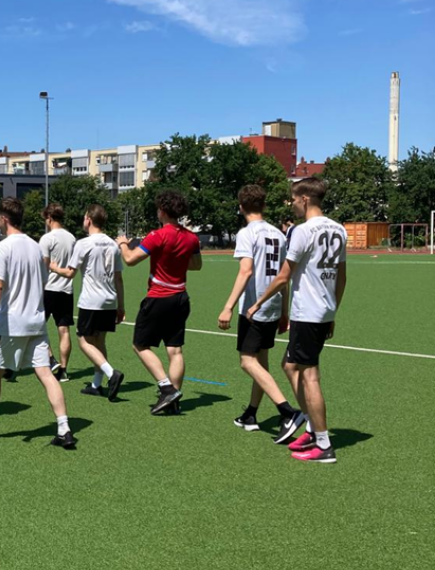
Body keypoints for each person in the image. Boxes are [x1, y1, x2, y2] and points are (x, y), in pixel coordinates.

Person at [0, 198, 76, 449]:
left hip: (11, 323)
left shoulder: (2, 248)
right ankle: (64, 428)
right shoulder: (36, 246)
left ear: (4, 218)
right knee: (45, 374)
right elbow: (42, 280)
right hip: (36, 321)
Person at [246, 178, 347, 464]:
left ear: (304, 198)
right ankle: (314, 429)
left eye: (293, 199)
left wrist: (258, 302)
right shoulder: (338, 229)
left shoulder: (301, 232)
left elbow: (283, 276)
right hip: (323, 311)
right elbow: (342, 277)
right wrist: (332, 311)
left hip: (308, 312)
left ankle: (324, 443)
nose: (291, 204)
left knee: (310, 375)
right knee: (289, 366)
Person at [217, 185, 304, 441]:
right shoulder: (279, 234)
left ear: (241, 206)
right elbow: (284, 277)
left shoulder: (247, 233)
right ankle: (251, 414)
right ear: (264, 206)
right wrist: (284, 311)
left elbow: (246, 271)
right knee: (261, 362)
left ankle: (287, 411)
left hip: (254, 307)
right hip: (274, 304)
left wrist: (228, 306)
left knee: (247, 361)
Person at [117, 190, 202, 415]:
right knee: (175, 350)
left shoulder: (157, 235)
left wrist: (123, 243)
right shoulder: (191, 237)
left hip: (158, 297)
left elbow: (130, 260)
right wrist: (176, 259)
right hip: (181, 297)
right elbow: (196, 266)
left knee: (140, 345)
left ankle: (166, 388)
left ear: (163, 211)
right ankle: (173, 399)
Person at [50, 205, 125, 402]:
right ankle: (96, 384)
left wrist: (52, 266)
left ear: (89, 220)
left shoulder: (84, 244)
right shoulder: (112, 244)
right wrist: (121, 305)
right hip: (109, 300)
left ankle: (111, 374)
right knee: (100, 341)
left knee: (84, 341)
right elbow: (119, 279)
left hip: (91, 301)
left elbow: (70, 273)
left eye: (84, 217)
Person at [39, 203, 77, 383]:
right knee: (64, 330)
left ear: (49, 218)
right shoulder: (71, 238)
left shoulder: (47, 238)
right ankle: (63, 370)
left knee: (37, 328)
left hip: (49, 289)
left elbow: (43, 266)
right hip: (66, 289)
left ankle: (50, 358)